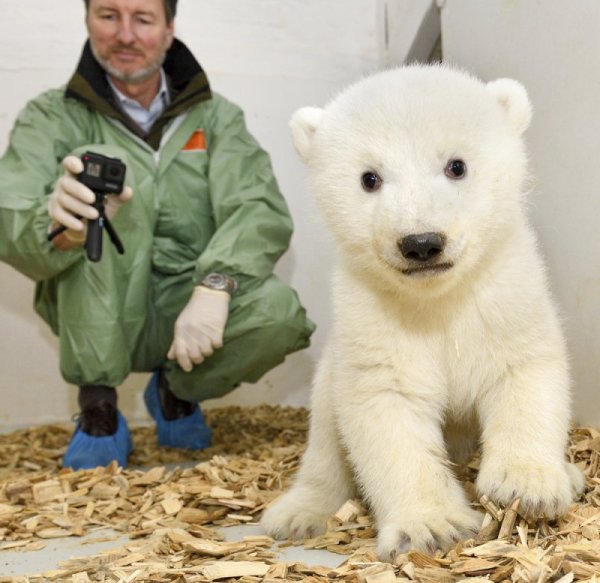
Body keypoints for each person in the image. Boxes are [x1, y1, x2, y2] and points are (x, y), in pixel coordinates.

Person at [0, 0, 315, 470]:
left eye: (142, 19)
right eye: (109, 15)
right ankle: (99, 407)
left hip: (188, 309)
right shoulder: (50, 117)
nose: (125, 34)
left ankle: (174, 390)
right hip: (96, 308)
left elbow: (258, 207)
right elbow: (11, 214)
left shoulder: (218, 119)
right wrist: (57, 225)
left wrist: (217, 283)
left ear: (168, 30)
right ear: (87, 20)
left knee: (279, 316)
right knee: (100, 162)